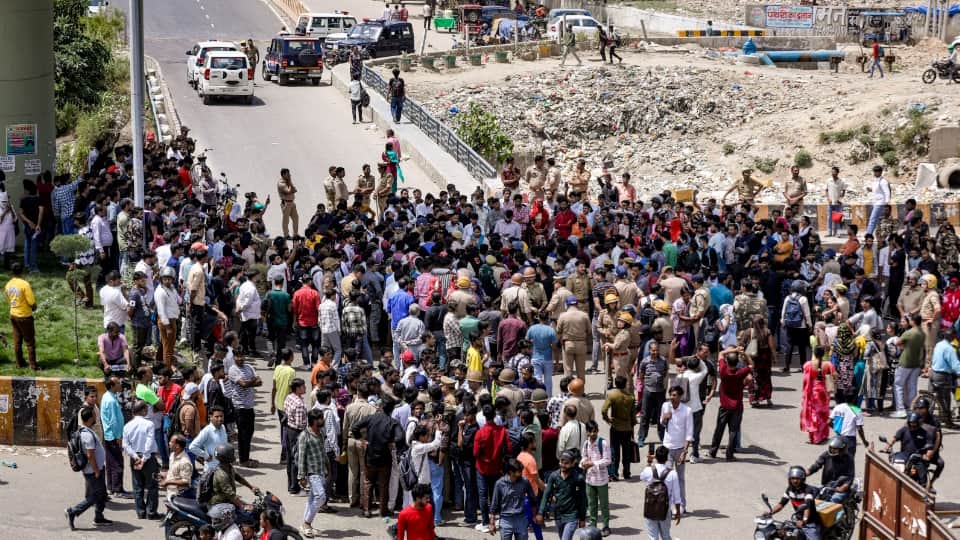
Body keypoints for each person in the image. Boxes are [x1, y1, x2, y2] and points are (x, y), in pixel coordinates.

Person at [65, 406, 113, 530]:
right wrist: (97, 470)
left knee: (101, 493)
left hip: (96, 469)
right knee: (96, 495)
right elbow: (90, 455)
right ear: (90, 418)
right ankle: (73, 511)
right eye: (94, 415)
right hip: (93, 471)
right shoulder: (87, 435)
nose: (96, 417)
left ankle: (99, 517)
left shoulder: (87, 431)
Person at [708, 347, 753, 461]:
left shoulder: (723, 370)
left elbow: (721, 353)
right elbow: (752, 365)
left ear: (727, 361)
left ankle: (713, 451)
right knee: (733, 431)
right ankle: (730, 454)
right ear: (737, 362)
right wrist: (745, 354)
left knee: (719, 429)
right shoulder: (740, 373)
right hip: (737, 406)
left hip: (724, 406)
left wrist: (735, 350)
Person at [474, 404, 511, 533]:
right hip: (497, 467)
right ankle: (499, 519)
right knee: (497, 495)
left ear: (484, 416)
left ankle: (485, 522)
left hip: (482, 468)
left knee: (483, 496)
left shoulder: (480, 433)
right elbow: (509, 449)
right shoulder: (502, 431)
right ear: (495, 416)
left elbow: (475, 452)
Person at [122, 400, 160, 519]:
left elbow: (125, 445)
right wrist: (144, 457)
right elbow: (149, 442)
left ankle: (141, 512)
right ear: (143, 410)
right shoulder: (149, 424)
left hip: (135, 458)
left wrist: (135, 456)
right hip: (148, 458)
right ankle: (151, 512)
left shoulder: (127, 426)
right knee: (152, 486)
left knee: (138, 486)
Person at [298, 409, 331, 538]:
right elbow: (301, 457)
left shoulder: (321, 433)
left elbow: (323, 452)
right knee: (321, 497)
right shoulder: (304, 436)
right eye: (320, 418)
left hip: (321, 470)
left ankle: (306, 525)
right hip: (312, 472)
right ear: (313, 421)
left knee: (312, 498)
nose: (322, 420)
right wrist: (301, 476)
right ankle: (307, 523)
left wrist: (328, 467)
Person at [540, 451, 587, 540]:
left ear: (573, 463)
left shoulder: (579, 479)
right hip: (558, 515)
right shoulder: (554, 476)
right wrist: (540, 513)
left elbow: (583, 500)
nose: (563, 465)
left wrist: (582, 519)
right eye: (561, 462)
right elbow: (546, 495)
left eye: (566, 463)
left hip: (572, 516)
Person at [660, 385, 693, 511]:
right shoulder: (665, 406)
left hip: (680, 449)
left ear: (680, 396)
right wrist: (665, 418)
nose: (672, 398)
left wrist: (684, 452)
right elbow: (661, 423)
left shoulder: (687, 411)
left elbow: (689, 433)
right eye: (671, 395)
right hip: (667, 447)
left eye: (674, 395)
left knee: (680, 479)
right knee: (667, 478)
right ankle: (666, 505)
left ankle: (681, 506)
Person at [490, 458, 540, 540]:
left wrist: (534, 516)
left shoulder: (525, 482)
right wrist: (492, 523)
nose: (521, 472)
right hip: (506, 520)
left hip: (521, 519)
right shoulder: (499, 484)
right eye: (519, 471)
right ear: (510, 472)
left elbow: (533, 500)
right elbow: (494, 504)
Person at [227, 351, 262, 467]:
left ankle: (246, 457)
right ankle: (243, 460)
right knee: (243, 433)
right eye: (238, 356)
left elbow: (260, 381)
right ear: (234, 357)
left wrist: (249, 383)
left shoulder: (249, 367)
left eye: (242, 356)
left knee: (250, 431)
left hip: (249, 405)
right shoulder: (233, 370)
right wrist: (251, 382)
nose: (241, 358)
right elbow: (243, 384)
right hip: (239, 406)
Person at [639, 446, 682, 540]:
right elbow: (677, 496)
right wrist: (678, 512)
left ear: (656, 457)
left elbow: (641, 477)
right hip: (665, 510)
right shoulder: (672, 473)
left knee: (653, 537)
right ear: (667, 458)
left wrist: (649, 462)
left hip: (650, 508)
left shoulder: (649, 470)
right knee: (666, 536)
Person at [766, 467, 820, 540]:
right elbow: (781, 504)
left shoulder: (807, 490)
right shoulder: (790, 490)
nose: (795, 481)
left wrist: (804, 521)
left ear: (802, 479)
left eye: (797, 478)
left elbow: (808, 508)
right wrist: (770, 513)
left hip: (810, 522)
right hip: (797, 519)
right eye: (793, 478)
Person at [580, 421, 611, 535]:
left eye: (595, 431)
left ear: (597, 430)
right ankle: (593, 525)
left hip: (601, 479)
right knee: (592, 504)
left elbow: (608, 460)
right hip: (589, 479)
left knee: (603, 504)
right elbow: (583, 457)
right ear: (587, 432)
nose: (593, 433)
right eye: (590, 431)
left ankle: (606, 526)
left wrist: (593, 463)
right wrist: (583, 463)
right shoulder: (586, 444)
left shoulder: (603, 443)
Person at [601, 375, 635, 480]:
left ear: (615, 384)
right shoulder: (631, 397)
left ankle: (614, 474)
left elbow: (603, 410)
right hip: (627, 428)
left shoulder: (612, 395)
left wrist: (607, 419)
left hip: (616, 426)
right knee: (626, 452)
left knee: (615, 451)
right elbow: (633, 416)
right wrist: (632, 426)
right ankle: (627, 472)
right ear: (625, 384)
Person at [800, 346, 835, 444]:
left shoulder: (808, 365)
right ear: (824, 354)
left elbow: (806, 378)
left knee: (814, 413)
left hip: (813, 391)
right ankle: (823, 435)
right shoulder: (828, 364)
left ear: (814, 353)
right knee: (824, 413)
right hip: (824, 392)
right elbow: (835, 375)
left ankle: (815, 437)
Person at [5, 263, 37, 369]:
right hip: (24, 316)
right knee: (30, 342)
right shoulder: (24, 284)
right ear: (22, 271)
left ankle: (19, 363)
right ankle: (33, 365)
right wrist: (34, 307)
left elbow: (9, 299)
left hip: (13, 315)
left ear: (11, 272)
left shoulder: (8, 284)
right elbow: (31, 302)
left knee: (17, 341)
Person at [893, 314, 925, 417]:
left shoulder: (909, 333)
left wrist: (902, 345)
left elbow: (897, 342)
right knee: (912, 387)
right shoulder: (922, 333)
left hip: (905, 362)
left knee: (898, 385)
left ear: (913, 321)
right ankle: (912, 409)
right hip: (916, 363)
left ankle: (900, 409)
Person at [930, 327, 960, 427]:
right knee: (946, 397)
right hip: (942, 376)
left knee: (940, 396)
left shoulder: (939, 344)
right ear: (952, 337)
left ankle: (942, 416)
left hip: (933, 373)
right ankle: (948, 420)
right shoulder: (950, 349)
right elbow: (956, 365)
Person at [277, 168, 299, 239]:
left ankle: (295, 234)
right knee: (286, 220)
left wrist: (290, 182)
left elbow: (295, 190)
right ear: (283, 175)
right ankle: (286, 235)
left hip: (292, 202)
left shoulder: (288, 182)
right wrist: (290, 182)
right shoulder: (281, 183)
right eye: (287, 174)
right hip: (286, 202)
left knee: (296, 218)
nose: (289, 175)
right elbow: (289, 191)